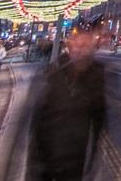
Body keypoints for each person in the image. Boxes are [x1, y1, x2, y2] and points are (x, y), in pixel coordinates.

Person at [29, 25, 109, 181]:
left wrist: (93, 157)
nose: (81, 51)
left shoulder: (97, 76)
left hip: (76, 157)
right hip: (47, 153)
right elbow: (37, 118)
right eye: (78, 46)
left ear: (92, 49)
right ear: (70, 47)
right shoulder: (53, 72)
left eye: (85, 47)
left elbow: (100, 117)